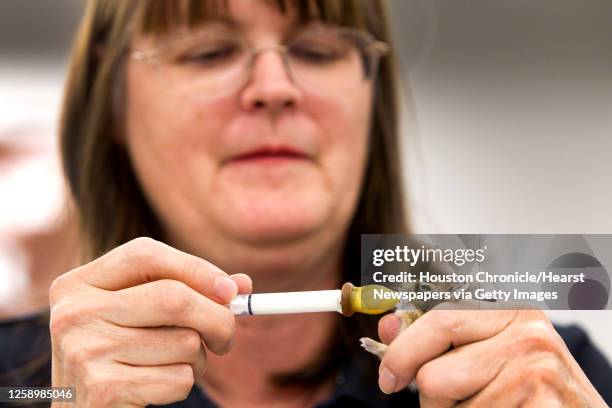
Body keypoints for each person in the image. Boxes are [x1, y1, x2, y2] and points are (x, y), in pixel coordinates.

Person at [1, 0, 611, 407]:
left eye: (319, 50)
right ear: (112, 104)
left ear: (373, 100)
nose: (274, 89)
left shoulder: (543, 375)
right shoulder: (19, 384)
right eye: (209, 51)